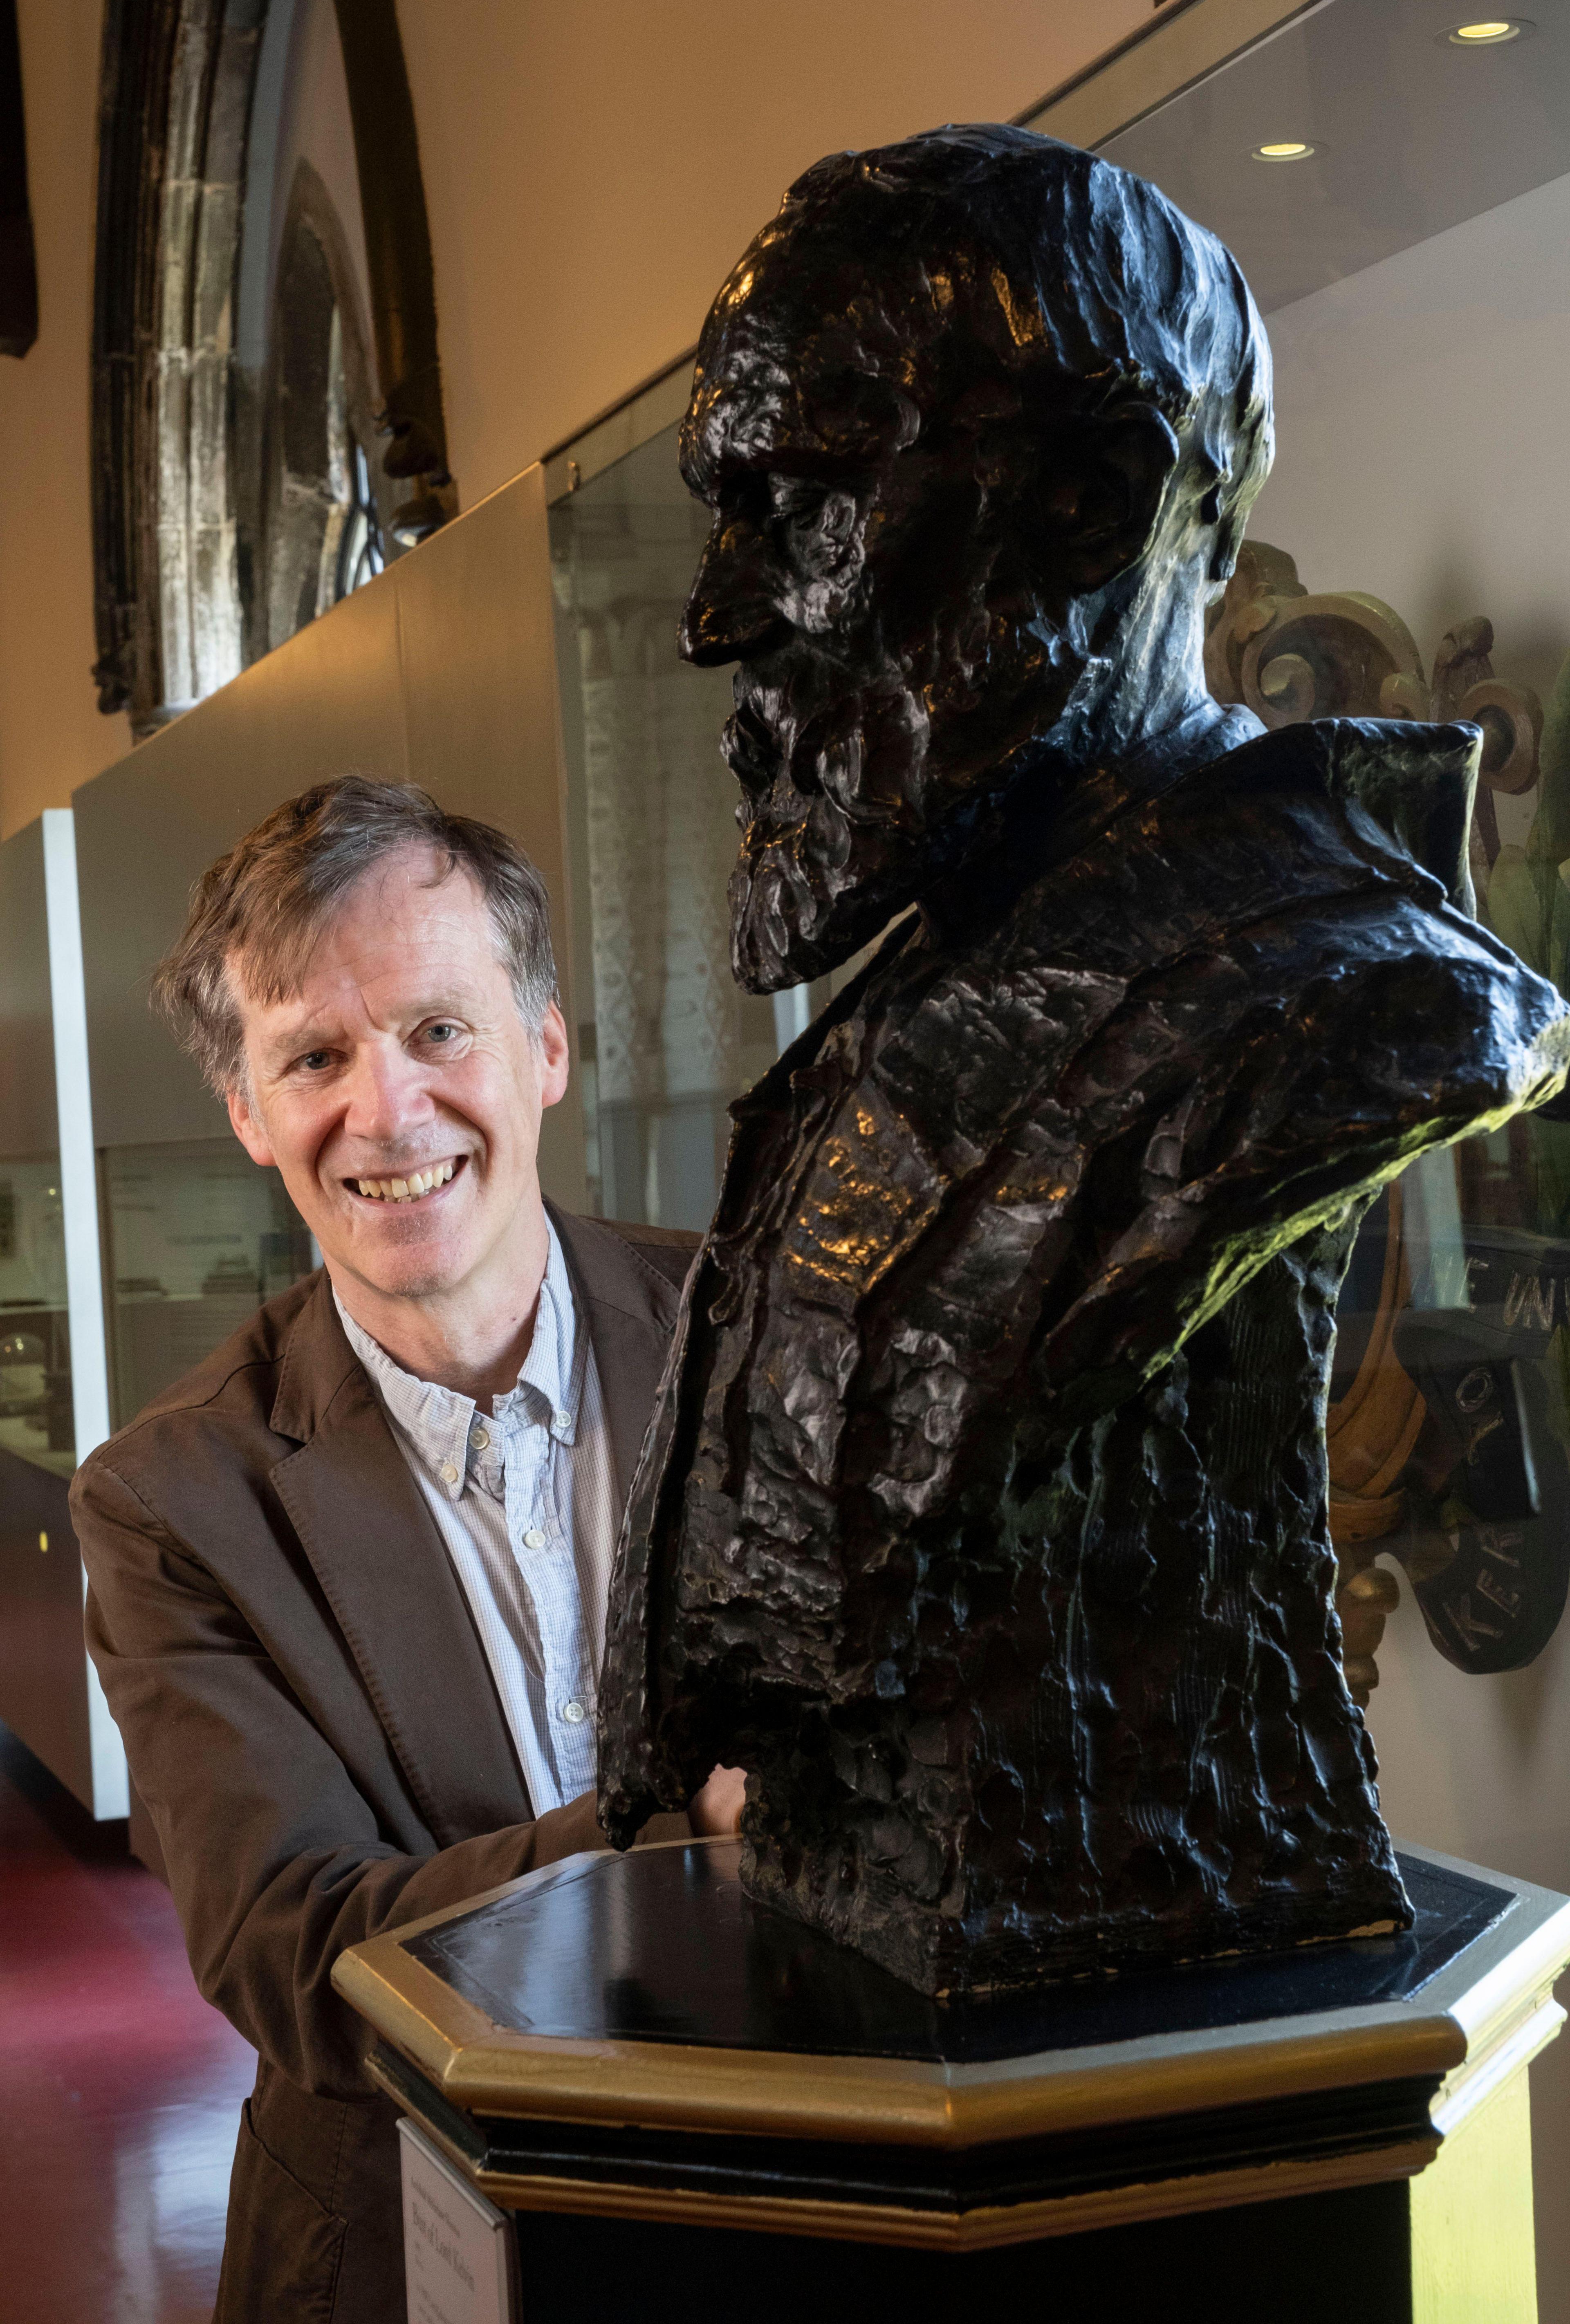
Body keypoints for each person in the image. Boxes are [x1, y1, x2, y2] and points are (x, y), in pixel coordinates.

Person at [597, 127, 1570, 1997]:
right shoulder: (923, 996)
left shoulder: (1330, 1001)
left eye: (799, 508)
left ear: (1089, 503)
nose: (718, 620)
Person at [73, 776, 744, 2322]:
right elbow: (303, 1954)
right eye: (314, 1054)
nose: (385, 1111)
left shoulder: (771, 1342)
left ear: (549, 1047)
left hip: (813, 2205)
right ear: (249, 1111)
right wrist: (687, 1835)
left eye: (440, 1029)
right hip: (407, 2243)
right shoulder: (172, 1503)